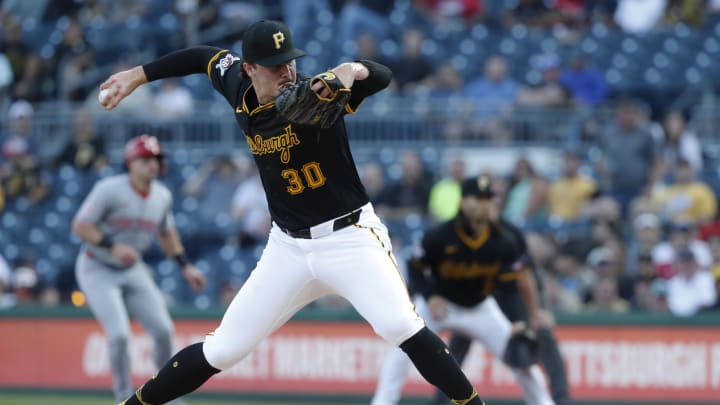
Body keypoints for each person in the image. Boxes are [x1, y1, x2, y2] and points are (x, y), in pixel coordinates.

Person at [100, 19, 487, 405]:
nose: (287, 72)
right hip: (287, 247)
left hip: (349, 238)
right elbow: (203, 57)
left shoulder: (319, 95)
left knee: (400, 324)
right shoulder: (237, 84)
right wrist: (138, 75)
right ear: (248, 69)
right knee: (223, 350)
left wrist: (352, 70)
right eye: (274, 66)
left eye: (290, 61)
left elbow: (381, 77)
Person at [371, 175, 555, 405]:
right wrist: (430, 296)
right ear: (463, 202)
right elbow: (415, 268)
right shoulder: (440, 235)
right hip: (440, 306)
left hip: (480, 308)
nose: (484, 203)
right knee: (399, 351)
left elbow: (509, 286)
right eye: (477, 198)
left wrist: (517, 320)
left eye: (488, 198)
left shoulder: (502, 241)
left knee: (522, 356)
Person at [71, 134, 207, 403]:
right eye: (145, 159)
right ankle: (123, 396)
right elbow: (80, 226)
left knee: (163, 330)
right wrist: (112, 246)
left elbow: (167, 234)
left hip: (133, 269)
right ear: (130, 163)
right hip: (97, 266)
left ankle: (170, 395)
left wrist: (185, 266)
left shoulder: (162, 195)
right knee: (120, 335)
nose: (152, 164)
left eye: (156, 159)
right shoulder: (109, 188)